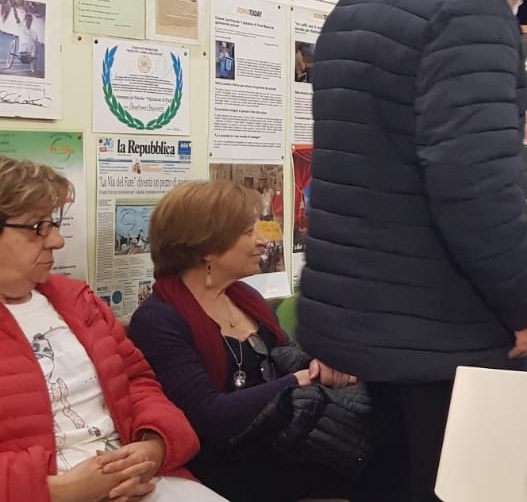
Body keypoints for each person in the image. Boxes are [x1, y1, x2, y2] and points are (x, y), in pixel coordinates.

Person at [299, 0, 527, 502]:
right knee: (456, 483)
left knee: (388, 473)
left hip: (360, 309)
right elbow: (475, 184)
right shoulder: (472, 9)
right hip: (439, 319)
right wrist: (526, 301)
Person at [127, 180, 385, 502]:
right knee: (383, 466)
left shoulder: (244, 297)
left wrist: (315, 365)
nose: (263, 241)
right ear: (207, 246)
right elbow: (208, 415)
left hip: (282, 440)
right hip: (232, 463)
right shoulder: (158, 320)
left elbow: (282, 358)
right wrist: (300, 379)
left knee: (394, 443)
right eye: (248, 232)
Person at [0, 155, 223, 502]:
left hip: (138, 481)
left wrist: (154, 446)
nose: (57, 240)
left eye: (53, 223)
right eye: (37, 227)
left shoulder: (77, 299)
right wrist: (58, 491)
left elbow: (136, 381)